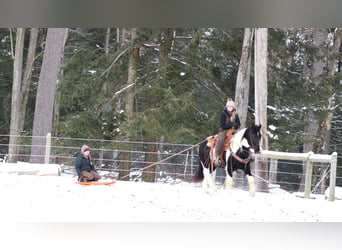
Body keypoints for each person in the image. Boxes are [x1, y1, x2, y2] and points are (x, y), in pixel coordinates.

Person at [214, 98, 241, 167]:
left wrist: (236, 125)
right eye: (229, 107)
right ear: (226, 107)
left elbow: (239, 124)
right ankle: (216, 156)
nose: (230, 108)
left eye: (231, 107)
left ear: (233, 108)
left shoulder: (235, 114)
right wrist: (232, 125)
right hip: (224, 131)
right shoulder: (223, 114)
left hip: (233, 131)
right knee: (221, 140)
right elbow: (222, 125)